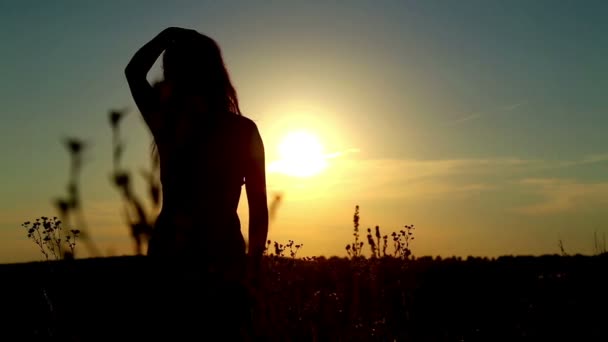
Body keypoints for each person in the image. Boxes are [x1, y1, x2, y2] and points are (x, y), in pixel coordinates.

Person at [125, 27, 269, 339]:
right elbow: (258, 209)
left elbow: (134, 71)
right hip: (224, 253)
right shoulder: (243, 131)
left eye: (169, 68)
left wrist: (164, 36)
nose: (166, 77)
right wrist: (253, 269)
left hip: (173, 254)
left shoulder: (168, 122)